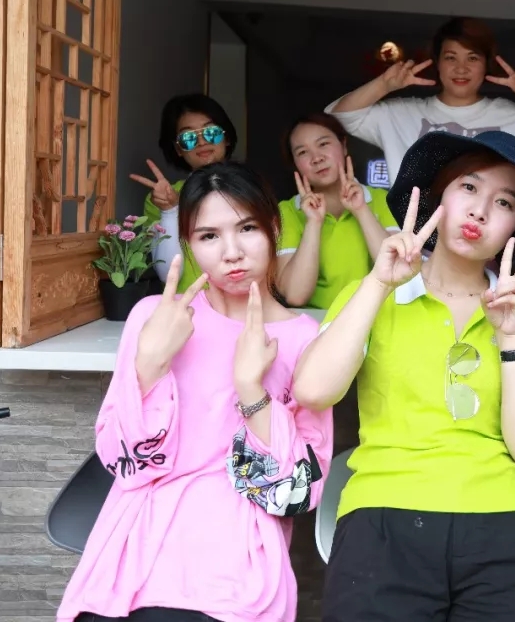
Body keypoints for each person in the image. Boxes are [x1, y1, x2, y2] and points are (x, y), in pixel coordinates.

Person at [293, 130, 515, 622]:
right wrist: (379, 283)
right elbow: (312, 390)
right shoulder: (373, 292)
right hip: (383, 514)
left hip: (502, 520)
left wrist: (511, 335)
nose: (480, 210)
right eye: (468, 187)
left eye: (504, 202)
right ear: (439, 196)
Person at [58, 161, 333, 622]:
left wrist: (251, 390)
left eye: (247, 229)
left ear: (274, 228)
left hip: (233, 563)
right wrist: (150, 364)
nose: (232, 253)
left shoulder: (304, 339)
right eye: (209, 236)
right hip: (134, 553)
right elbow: (123, 460)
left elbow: (296, 493)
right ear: (188, 243)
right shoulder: (156, 317)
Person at [325, 16, 515, 186]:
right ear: (438, 63)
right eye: (450, 58)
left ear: (487, 65)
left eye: (472, 58)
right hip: (414, 237)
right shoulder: (402, 114)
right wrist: (383, 85)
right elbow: (337, 117)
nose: (461, 68)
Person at [275, 113, 400, 308]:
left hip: (377, 318)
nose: (317, 158)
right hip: (316, 322)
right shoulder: (288, 211)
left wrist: (361, 210)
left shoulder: (381, 200)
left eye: (323, 144)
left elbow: (397, 272)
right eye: (303, 152)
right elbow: (295, 295)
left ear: (343, 145)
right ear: (295, 164)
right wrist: (313, 223)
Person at [129, 94, 239, 293]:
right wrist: (170, 211)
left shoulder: (251, 189)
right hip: (187, 303)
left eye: (211, 132)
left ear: (227, 137)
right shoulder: (159, 200)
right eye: (188, 137)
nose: (201, 142)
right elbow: (167, 273)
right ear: (178, 149)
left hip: (245, 301)